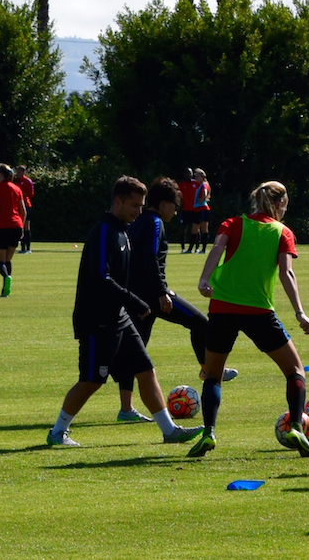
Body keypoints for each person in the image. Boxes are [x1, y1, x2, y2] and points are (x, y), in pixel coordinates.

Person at [46, 176, 203, 447]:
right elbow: (101, 277)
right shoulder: (104, 232)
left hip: (119, 316)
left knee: (146, 370)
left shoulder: (124, 230)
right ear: (117, 201)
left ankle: (169, 431)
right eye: (134, 205)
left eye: (142, 205)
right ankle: (58, 432)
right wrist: (136, 301)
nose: (139, 211)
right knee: (92, 380)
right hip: (97, 320)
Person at [187, 180, 309, 458]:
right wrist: (299, 312)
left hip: (222, 308)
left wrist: (204, 279)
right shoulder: (282, 232)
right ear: (280, 204)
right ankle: (295, 426)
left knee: (213, 375)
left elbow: (217, 249)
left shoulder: (233, 223)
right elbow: (286, 273)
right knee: (295, 371)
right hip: (259, 311)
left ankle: (208, 433)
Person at [117, 177, 237, 423]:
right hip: (153, 296)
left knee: (136, 349)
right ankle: (208, 369)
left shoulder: (137, 221)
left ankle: (126, 409)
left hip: (135, 296)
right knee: (199, 322)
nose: (176, 209)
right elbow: (151, 258)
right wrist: (161, 291)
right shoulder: (155, 223)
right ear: (162, 203)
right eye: (174, 204)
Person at [0, 164, 26, 297]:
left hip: (3, 227)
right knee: (8, 260)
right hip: (16, 226)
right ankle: (5, 289)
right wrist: (21, 226)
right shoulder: (17, 188)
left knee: (0, 262)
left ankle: (6, 278)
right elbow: (23, 210)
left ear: (2, 175)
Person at [14, 165, 35, 254]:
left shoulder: (27, 181)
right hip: (17, 206)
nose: (17, 174)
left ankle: (28, 248)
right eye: (17, 172)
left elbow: (31, 194)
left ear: (23, 172)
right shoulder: (16, 181)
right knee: (20, 226)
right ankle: (22, 248)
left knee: (26, 226)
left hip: (26, 205)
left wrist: (21, 194)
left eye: (19, 172)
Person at [178, 168, 198, 253]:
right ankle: (183, 248)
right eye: (187, 173)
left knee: (196, 230)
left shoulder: (196, 184)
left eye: (190, 173)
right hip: (185, 210)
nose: (188, 175)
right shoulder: (181, 185)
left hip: (195, 210)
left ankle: (196, 248)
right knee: (183, 229)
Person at [192, 168, 212, 254]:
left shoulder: (204, 185)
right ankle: (192, 248)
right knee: (194, 229)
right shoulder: (200, 185)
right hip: (197, 209)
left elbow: (205, 193)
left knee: (204, 229)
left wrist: (202, 199)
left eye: (197, 176)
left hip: (203, 209)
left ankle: (203, 249)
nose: (196, 178)